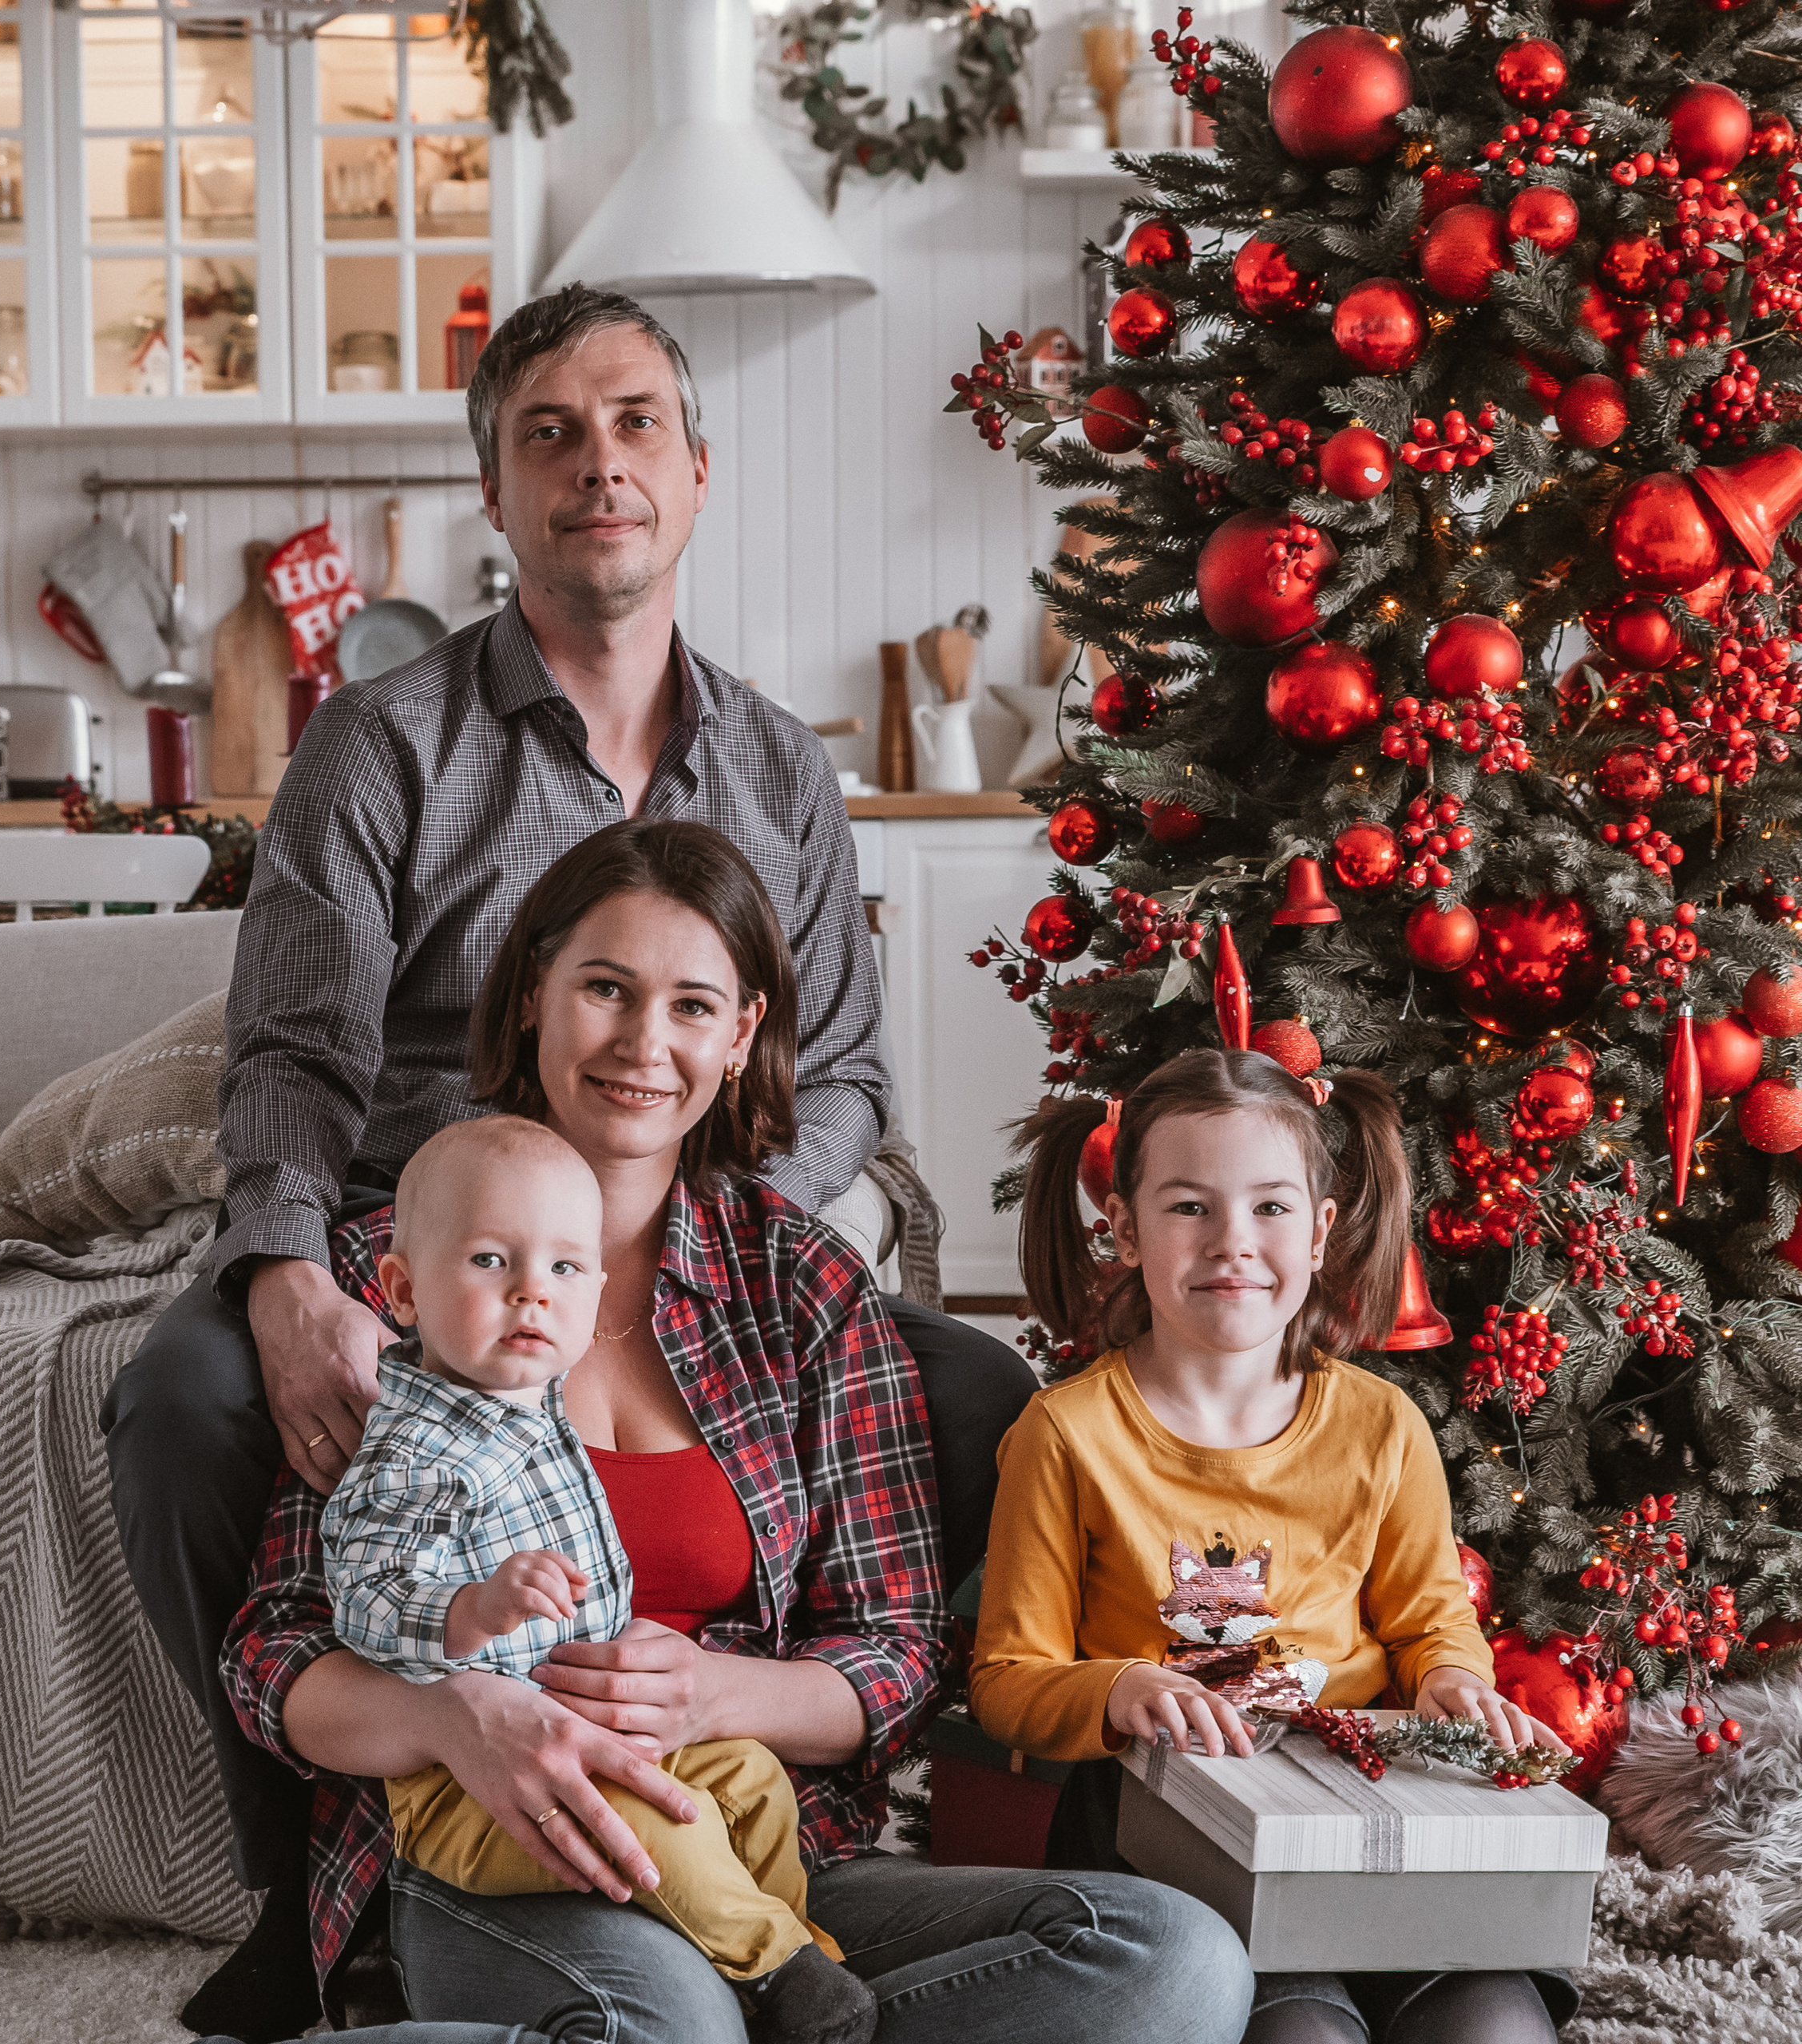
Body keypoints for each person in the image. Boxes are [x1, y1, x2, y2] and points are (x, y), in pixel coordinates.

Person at [98, 283, 1034, 2035]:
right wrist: (289, 1278)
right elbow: (293, 1055)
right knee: (182, 1398)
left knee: (983, 1391)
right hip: (425, 1230)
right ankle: (310, 1870)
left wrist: (726, 1243)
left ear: (695, 472)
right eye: (549, 434)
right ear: (497, 492)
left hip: (702, 1218)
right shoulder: (380, 743)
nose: (596, 463)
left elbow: (843, 1072)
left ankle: (810, 1810)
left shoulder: (781, 768)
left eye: (632, 426)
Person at [222, 820, 1257, 2044]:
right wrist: (455, 1715)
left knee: (1174, 1963)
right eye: (605, 989)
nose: (643, 1043)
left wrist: (718, 1694)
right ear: (533, 997)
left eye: (692, 1006)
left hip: (766, 1852)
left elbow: (899, 1657)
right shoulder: (390, 1282)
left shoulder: (802, 1285)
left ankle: (758, 2006)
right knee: (685, 2027)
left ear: (741, 1036)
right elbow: (275, 1649)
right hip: (506, 1845)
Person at [969, 1048, 1578, 2044]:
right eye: (1188, 1206)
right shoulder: (1066, 1435)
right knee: (1301, 2034)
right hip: (1171, 1835)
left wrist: (1451, 1680)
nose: (1232, 1242)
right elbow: (1005, 1681)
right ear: (1123, 1226)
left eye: (1269, 1207)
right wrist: (1119, 1688)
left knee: (1495, 2027)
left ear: (1320, 1228)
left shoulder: (1382, 1425)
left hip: (1362, 1810)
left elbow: (1430, 1621)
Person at [321, 1114, 876, 2043]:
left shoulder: (530, 1405)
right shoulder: (415, 1451)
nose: (531, 1293)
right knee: (658, 1822)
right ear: (403, 1291)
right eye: (491, 1261)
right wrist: (471, 1609)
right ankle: (775, 1964)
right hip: (471, 1790)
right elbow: (365, 1599)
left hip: (602, 1735)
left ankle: (792, 1953)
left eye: (565, 1269)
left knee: (749, 1777)